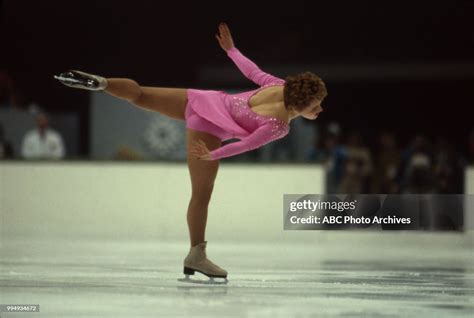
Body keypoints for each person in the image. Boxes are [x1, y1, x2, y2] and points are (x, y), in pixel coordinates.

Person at [54, 22, 327, 282]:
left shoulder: (279, 85)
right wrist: (213, 155)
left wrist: (232, 50)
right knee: (201, 195)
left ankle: (101, 83)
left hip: (203, 99)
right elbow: (244, 145)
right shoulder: (279, 125)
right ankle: (196, 254)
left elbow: (252, 71)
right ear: (301, 103)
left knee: (139, 94)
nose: (319, 110)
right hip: (209, 129)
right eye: (315, 106)